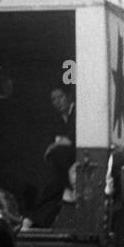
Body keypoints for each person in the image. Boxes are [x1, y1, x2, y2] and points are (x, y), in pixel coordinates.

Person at [24, 87, 77, 229]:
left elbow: (71, 140)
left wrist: (53, 146)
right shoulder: (59, 119)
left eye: (60, 97)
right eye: (53, 99)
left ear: (69, 96)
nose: (57, 102)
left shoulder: (77, 112)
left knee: (53, 186)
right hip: (66, 173)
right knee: (53, 189)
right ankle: (33, 219)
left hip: (75, 165)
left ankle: (31, 219)